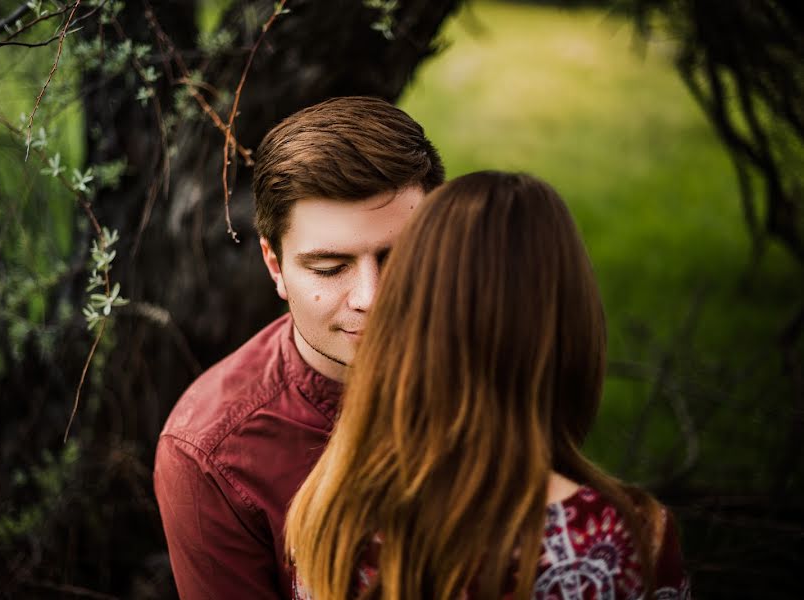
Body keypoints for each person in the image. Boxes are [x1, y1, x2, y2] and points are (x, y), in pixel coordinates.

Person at [286, 171, 690, 600]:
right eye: (331, 268)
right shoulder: (617, 542)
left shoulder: (330, 515)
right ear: (566, 325)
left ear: (404, 314)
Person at [153, 96, 445, 599]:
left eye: (399, 258)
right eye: (330, 269)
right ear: (274, 266)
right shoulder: (210, 452)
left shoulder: (499, 358)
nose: (371, 299)